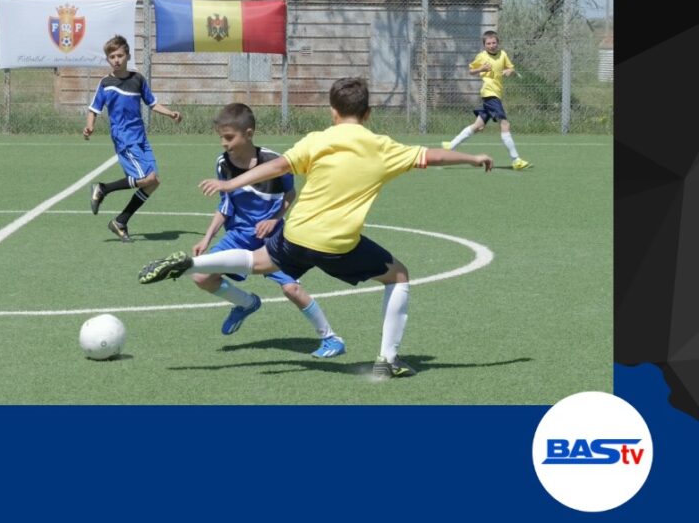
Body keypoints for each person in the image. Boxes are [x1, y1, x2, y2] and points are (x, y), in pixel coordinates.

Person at [139, 77, 493, 380]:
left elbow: (276, 166)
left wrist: (230, 184)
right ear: (368, 114)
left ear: (332, 112)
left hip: (295, 233)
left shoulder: (317, 140)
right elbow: (432, 156)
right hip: (337, 244)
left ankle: (192, 264)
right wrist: (473, 158)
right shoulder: (383, 148)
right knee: (398, 275)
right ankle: (387, 360)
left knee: (258, 261)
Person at [191, 103, 345, 358]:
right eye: (221, 137)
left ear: (248, 134)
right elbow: (225, 206)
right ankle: (247, 303)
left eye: (229, 137)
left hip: (273, 239)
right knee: (201, 276)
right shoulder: (222, 163)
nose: (223, 143)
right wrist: (207, 238)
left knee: (291, 289)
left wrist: (274, 219)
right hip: (238, 237)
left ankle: (331, 338)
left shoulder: (274, 161)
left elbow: (290, 193)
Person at [83, 34, 182, 242]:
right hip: (124, 138)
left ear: (127, 56)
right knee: (147, 179)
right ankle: (103, 189)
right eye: (112, 57)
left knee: (153, 182)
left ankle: (120, 221)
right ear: (108, 59)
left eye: (119, 55)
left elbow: (152, 103)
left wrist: (170, 113)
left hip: (141, 137)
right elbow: (93, 109)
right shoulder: (106, 83)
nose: (116, 60)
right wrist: (90, 126)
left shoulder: (138, 79)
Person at [443, 30, 532, 170]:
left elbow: (511, 70)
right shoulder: (481, 56)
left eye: (494, 43)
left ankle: (451, 146)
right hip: (489, 94)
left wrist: (510, 72)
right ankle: (516, 160)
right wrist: (481, 68)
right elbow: (471, 71)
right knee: (505, 124)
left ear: (498, 43)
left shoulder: (503, 55)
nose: (491, 45)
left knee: (477, 126)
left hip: (496, 94)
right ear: (484, 45)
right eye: (488, 43)